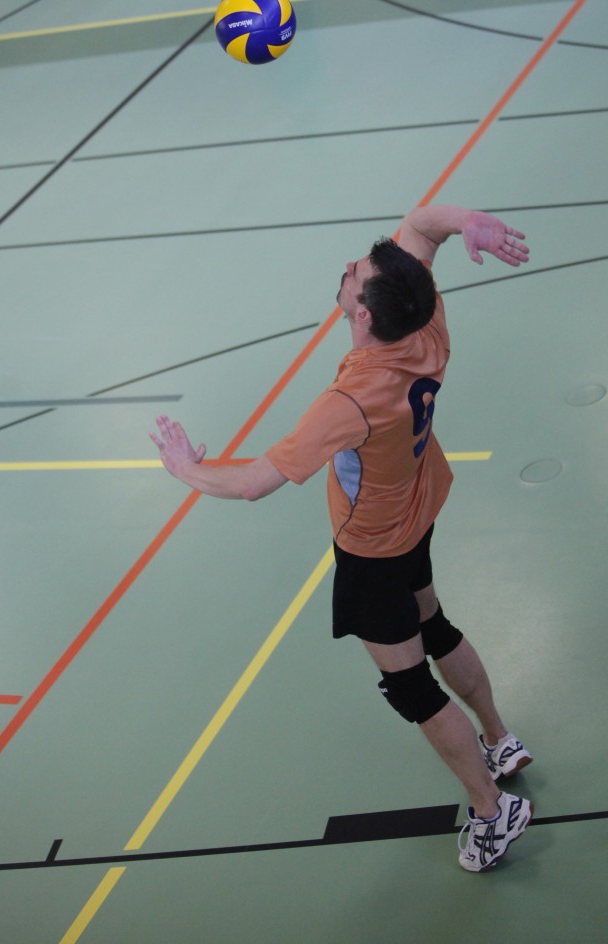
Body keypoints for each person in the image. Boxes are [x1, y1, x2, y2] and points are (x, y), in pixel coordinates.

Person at [150, 205, 534, 872]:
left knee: (412, 688)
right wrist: (465, 219)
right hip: (417, 507)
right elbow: (422, 227)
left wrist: (186, 469)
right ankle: (500, 741)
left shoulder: (352, 400)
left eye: (355, 272)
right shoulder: (423, 318)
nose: (349, 266)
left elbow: (254, 483)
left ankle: (491, 811)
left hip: (375, 550)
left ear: (361, 314)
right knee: (435, 625)